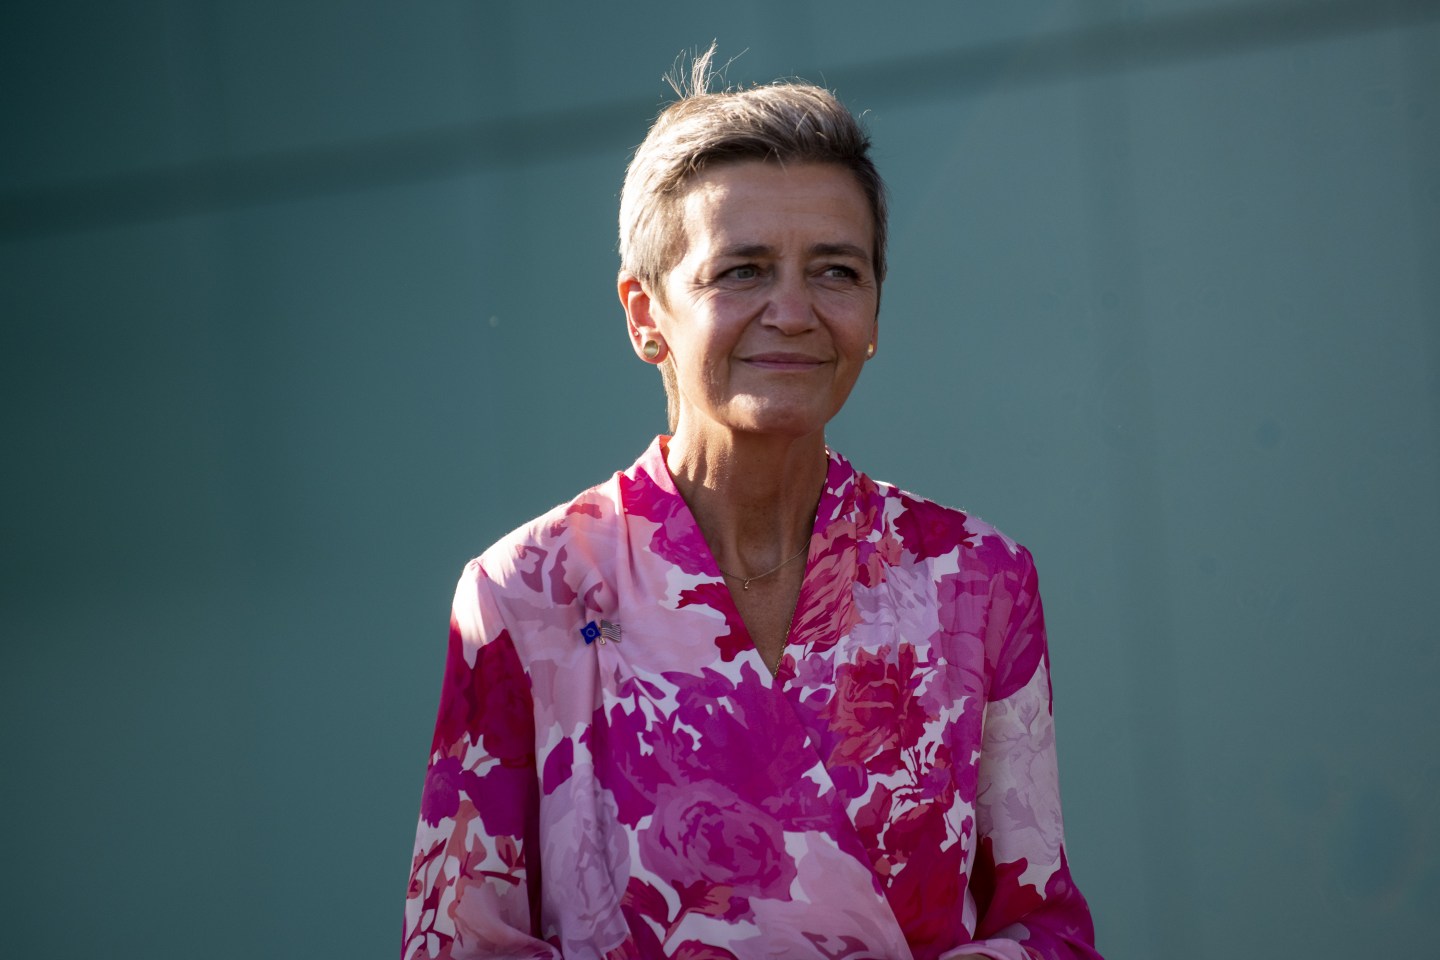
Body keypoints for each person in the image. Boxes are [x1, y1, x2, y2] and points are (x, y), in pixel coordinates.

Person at [402, 48, 1102, 960]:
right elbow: (459, 945)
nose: (794, 309)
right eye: (743, 270)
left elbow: (1043, 929)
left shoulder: (976, 580)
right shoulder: (526, 593)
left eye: (837, 271)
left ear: (877, 314)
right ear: (644, 315)